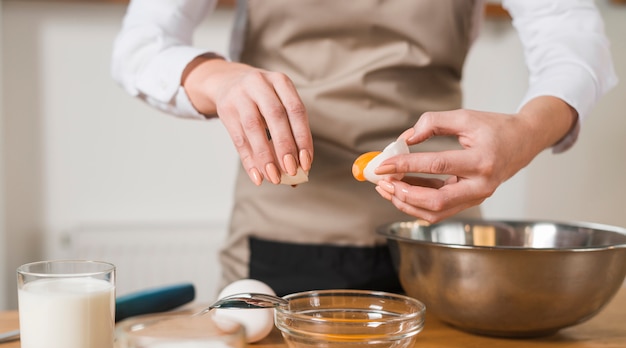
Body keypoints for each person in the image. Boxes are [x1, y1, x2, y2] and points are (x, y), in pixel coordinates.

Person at [112, 0, 617, 296]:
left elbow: (571, 37)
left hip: (434, 240)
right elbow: (141, 44)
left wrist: (523, 134)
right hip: (279, 237)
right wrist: (218, 79)